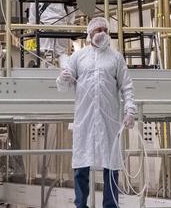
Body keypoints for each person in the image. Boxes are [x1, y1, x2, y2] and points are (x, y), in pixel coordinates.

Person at [57, 16, 137, 208]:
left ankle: (110, 205)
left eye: (105, 30)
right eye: (97, 30)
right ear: (89, 34)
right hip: (84, 120)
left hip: (109, 120)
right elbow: (63, 87)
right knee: (81, 165)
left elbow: (127, 86)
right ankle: (80, 205)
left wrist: (130, 110)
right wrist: (63, 77)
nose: (102, 33)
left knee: (111, 165)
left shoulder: (116, 58)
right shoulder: (78, 57)